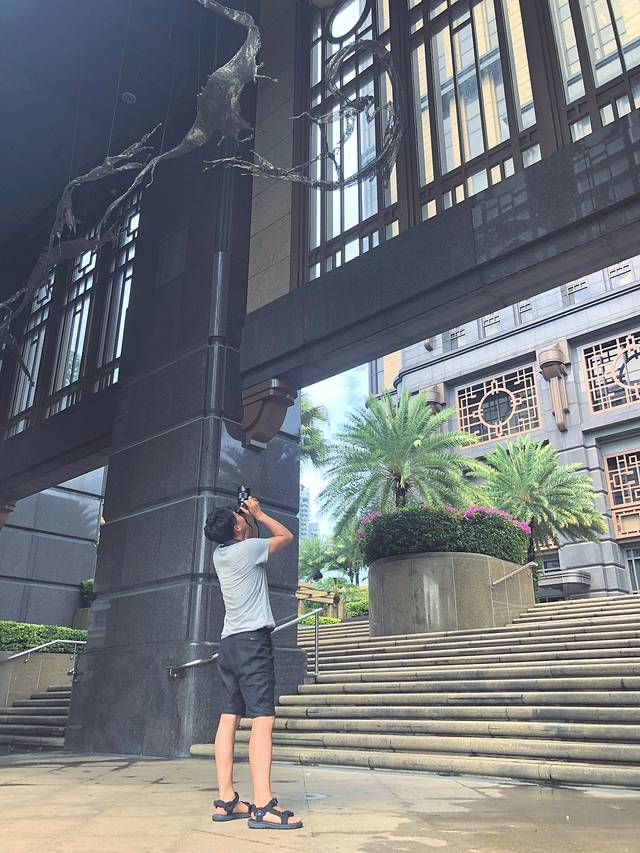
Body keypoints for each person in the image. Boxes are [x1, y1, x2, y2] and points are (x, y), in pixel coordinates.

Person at [203, 496, 303, 831]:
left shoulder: (220, 554)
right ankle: (262, 805)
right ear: (236, 526)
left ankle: (227, 800)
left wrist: (245, 522)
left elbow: (245, 537)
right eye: (239, 516)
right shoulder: (249, 550)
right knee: (262, 719)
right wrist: (259, 514)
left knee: (229, 717)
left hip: (229, 644)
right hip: (251, 644)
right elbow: (286, 536)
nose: (243, 516)